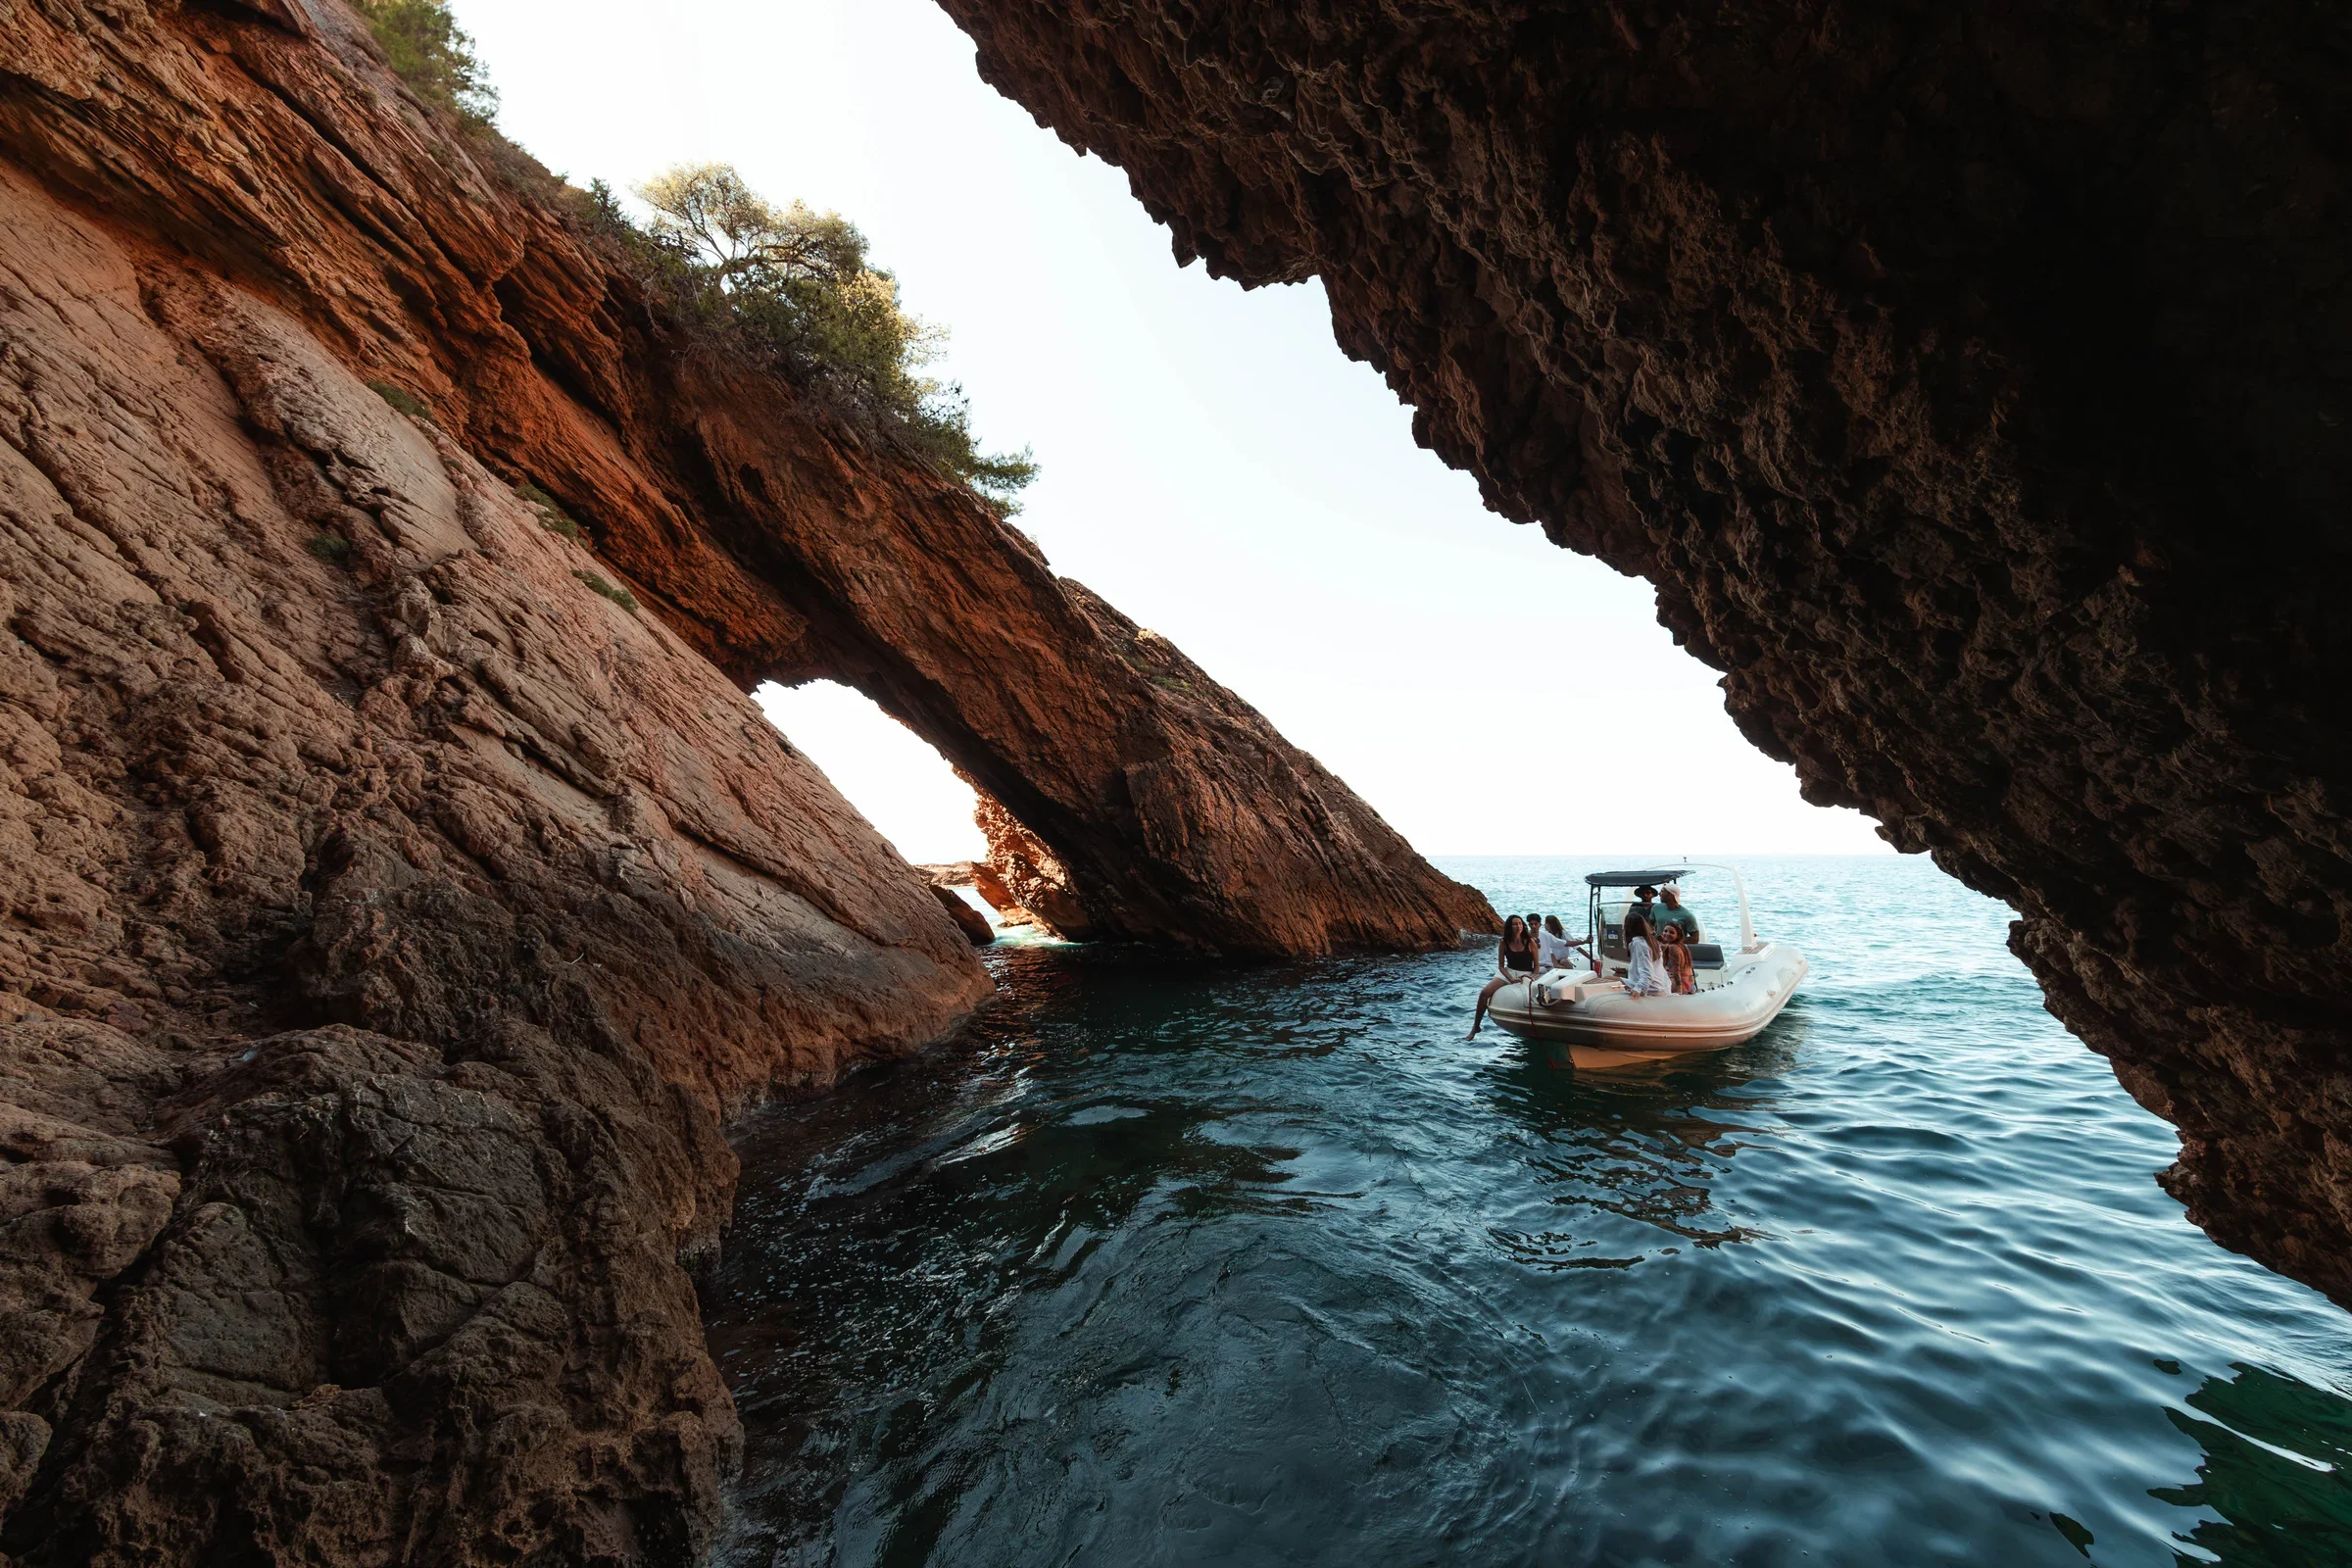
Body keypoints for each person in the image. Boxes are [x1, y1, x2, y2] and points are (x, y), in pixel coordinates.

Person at [1470, 916, 1538, 1038]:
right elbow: (1501, 966)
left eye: (1520, 924)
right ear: (1510, 927)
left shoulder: (1530, 941)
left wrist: (1531, 976)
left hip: (1526, 973)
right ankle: (1476, 1026)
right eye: (1515, 924)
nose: (1518, 926)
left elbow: (1536, 967)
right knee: (1484, 993)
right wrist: (1510, 979)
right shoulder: (1504, 942)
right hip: (1508, 972)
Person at [1621, 911, 1669, 998]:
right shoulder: (1651, 941)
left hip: (1652, 988)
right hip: (1661, 987)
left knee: (1607, 979)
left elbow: (1647, 972)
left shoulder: (1638, 943)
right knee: (1615, 976)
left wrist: (1638, 989)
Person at [1656, 922, 1696, 994]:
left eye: (1671, 932)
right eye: (1665, 931)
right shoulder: (1683, 945)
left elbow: (1676, 970)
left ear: (1678, 935)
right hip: (1690, 985)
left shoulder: (1673, 947)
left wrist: (1679, 990)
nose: (1667, 934)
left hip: (1682, 985)